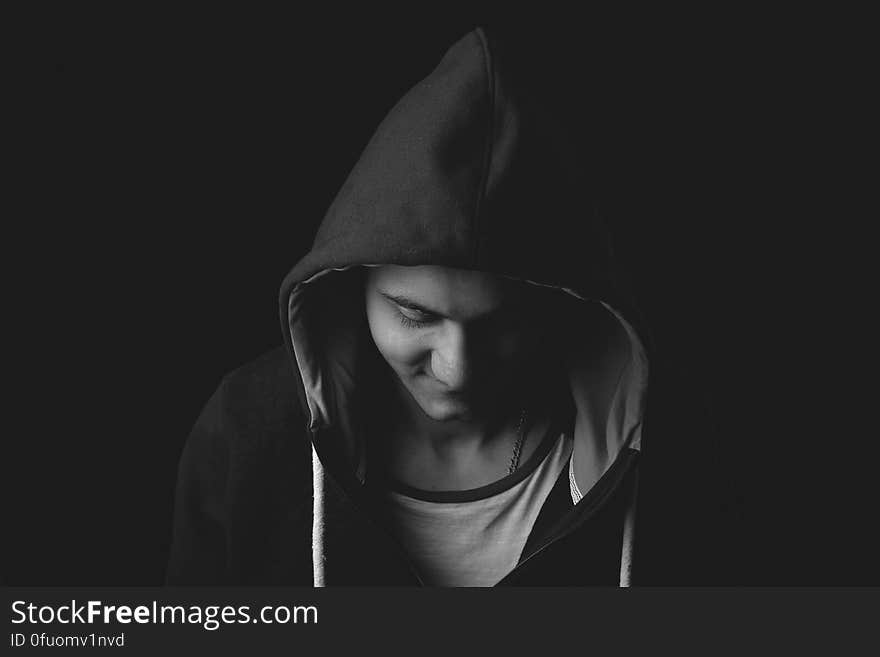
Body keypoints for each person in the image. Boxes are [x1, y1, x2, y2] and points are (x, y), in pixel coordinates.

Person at [166, 26, 741, 586]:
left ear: (560, 305)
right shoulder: (245, 432)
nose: (457, 370)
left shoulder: (672, 443)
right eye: (415, 316)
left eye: (505, 323)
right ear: (350, 285)